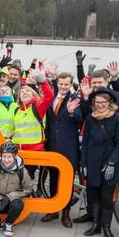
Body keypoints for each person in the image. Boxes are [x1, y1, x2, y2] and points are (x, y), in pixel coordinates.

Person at [81, 88, 119, 237]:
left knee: (107, 197)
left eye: (103, 102)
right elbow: (86, 142)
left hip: (109, 162)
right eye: (97, 102)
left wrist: (112, 163)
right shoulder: (90, 118)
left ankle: (106, 227)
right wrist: (83, 163)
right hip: (93, 162)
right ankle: (96, 225)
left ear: (110, 103)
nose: (100, 105)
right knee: (93, 193)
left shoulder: (118, 118)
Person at [42, 72, 82, 227]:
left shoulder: (74, 99)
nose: (64, 86)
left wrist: (72, 112)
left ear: (70, 84)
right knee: (52, 179)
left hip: (68, 147)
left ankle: (66, 214)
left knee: (67, 181)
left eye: (66, 84)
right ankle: (53, 210)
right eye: (61, 84)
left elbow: (79, 120)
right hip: (52, 145)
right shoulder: (51, 97)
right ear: (57, 83)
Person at [0, 141, 32, 237]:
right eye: (4, 156)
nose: (6, 160)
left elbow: (28, 189)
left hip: (11, 201)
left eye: (9, 157)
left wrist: (9, 197)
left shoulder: (22, 171)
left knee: (18, 205)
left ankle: (8, 223)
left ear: (15, 156)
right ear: (1, 156)